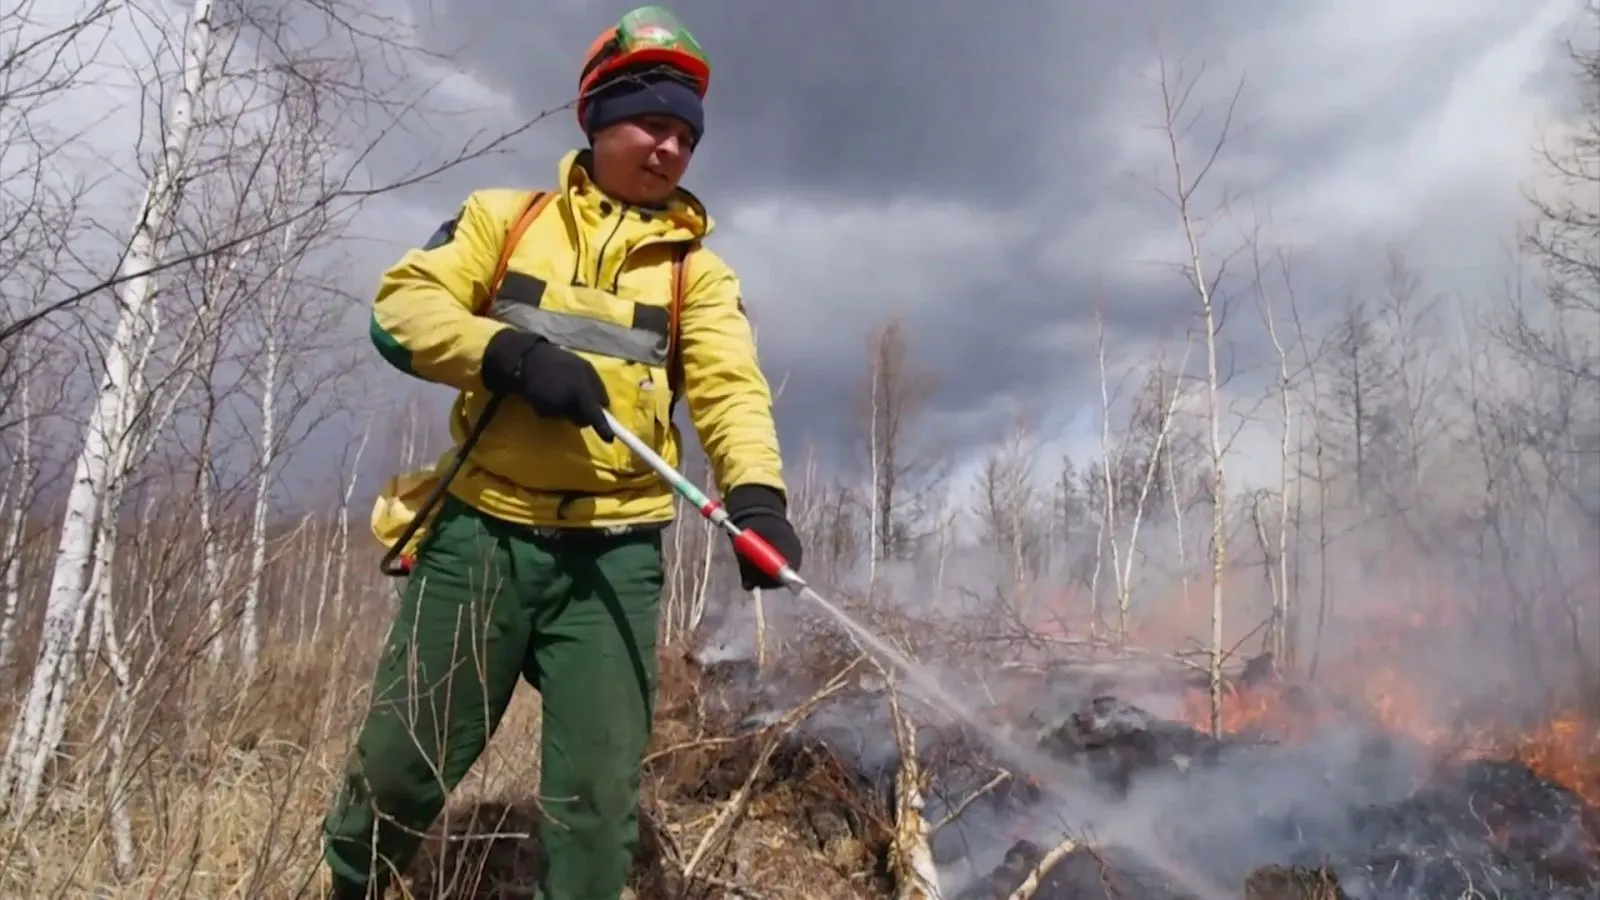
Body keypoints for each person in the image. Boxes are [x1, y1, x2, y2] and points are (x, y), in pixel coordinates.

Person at [320, 7, 803, 898]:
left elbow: (733, 391)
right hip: (480, 541)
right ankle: (349, 884)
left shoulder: (698, 272)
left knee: (596, 805)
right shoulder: (503, 222)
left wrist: (759, 499)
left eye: (685, 135)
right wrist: (509, 355)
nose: (668, 148)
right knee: (400, 766)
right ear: (598, 117)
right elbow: (401, 314)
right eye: (650, 121)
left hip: (613, 559)